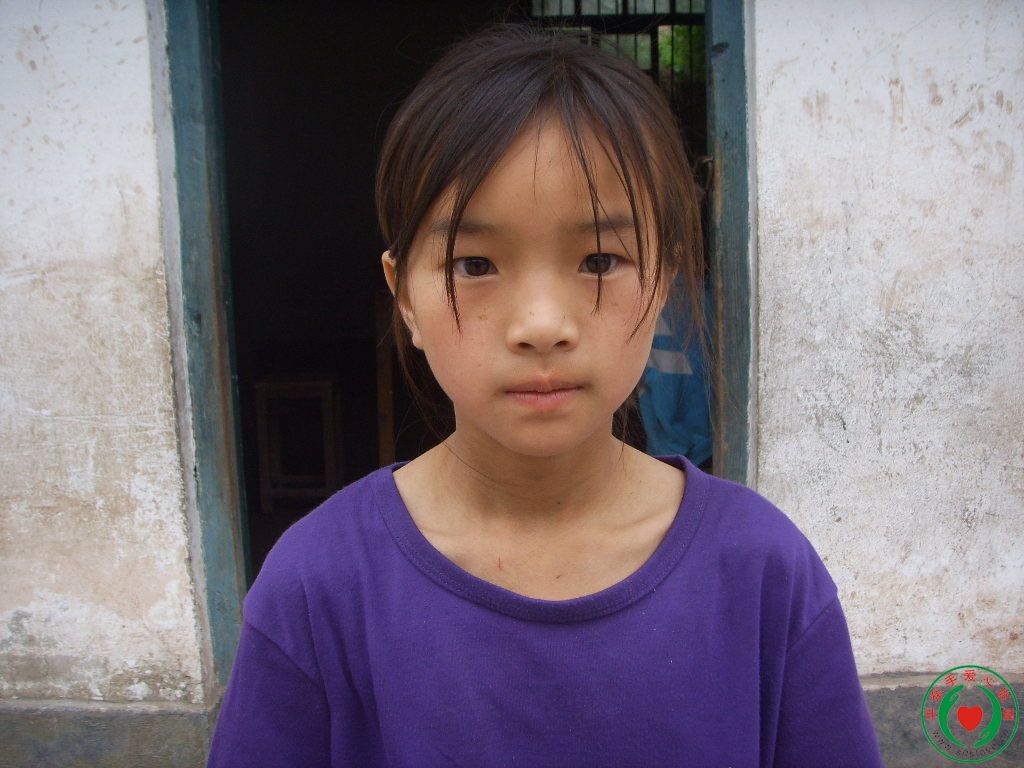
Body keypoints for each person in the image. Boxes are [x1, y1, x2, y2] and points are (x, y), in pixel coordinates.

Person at [207, 22, 883, 768]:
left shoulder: (763, 572)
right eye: (474, 264)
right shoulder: (317, 586)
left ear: (665, 280)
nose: (541, 326)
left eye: (600, 260)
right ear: (404, 296)